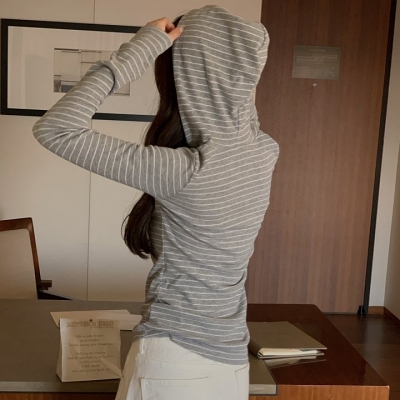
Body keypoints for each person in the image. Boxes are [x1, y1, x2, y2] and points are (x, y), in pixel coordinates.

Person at [33, 5, 279, 400]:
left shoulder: (186, 169)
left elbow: (57, 129)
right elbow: (235, 110)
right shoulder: (264, 152)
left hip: (174, 361)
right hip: (231, 364)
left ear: (184, 78)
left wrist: (140, 49)